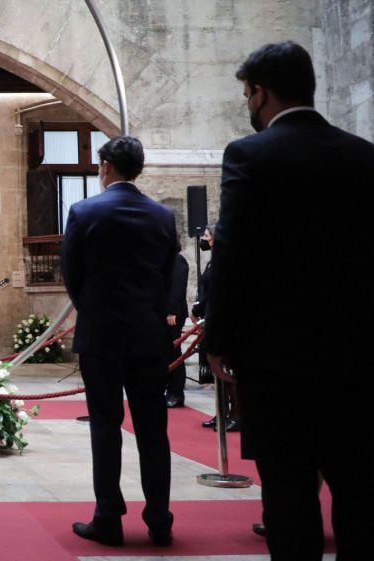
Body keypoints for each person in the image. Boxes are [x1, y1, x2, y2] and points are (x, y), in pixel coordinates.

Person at [204, 41, 374, 561]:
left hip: (279, 362)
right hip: (358, 357)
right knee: (360, 495)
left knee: (290, 495)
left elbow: (233, 254)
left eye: (246, 94)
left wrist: (218, 339)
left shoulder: (251, 154)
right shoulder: (363, 155)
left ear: (259, 92)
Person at [61, 135, 179, 548]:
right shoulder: (163, 216)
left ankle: (108, 518)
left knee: (105, 429)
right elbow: (168, 276)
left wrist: (93, 310)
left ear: (106, 166)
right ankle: (160, 521)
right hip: (148, 338)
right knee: (153, 431)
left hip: (101, 337)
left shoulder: (83, 211)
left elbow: (72, 276)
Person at [192, 226, 239, 432]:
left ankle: (237, 415)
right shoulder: (213, 261)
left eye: (207, 235)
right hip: (211, 319)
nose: (203, 238)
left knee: (229, 375)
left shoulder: (225, 261)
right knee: (220, 376)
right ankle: (222, 412)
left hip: (224, 323)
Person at [164, 251, 189, 408]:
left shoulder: (177, 260)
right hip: (162, 314)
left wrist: (171, 311)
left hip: (173, 314)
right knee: (166, 353)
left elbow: (177, 287)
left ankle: (177, 392)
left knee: (174, 352)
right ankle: (169, 388)